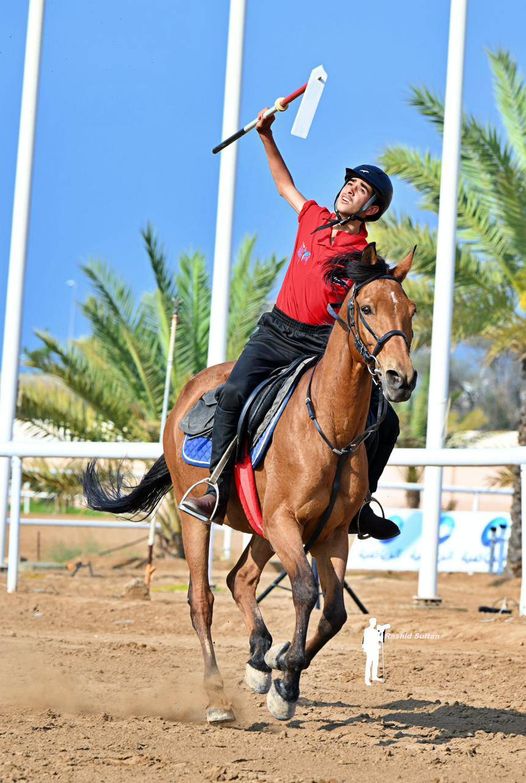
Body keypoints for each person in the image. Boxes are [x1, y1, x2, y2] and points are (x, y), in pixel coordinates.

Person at [182, 109, 401, 539]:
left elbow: (379, 298)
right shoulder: (314, 216)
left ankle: (361, 505)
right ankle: (215, 487)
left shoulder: (365, 256)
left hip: (322, 346)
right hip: (276, 334)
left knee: (386, 419)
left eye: (360, 191)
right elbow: (284, 184)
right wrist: (265, 134)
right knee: (234, 394)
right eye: (349, 184)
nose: (349, 191)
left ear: (371, 208)